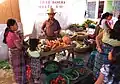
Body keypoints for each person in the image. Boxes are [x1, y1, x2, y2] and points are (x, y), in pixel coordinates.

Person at [3, 19, 26, 84]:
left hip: (12, 53)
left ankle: (19, 81)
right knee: (19, 71)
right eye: (16, 24)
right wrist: (21, 38)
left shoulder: (9, 32)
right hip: (16, 55)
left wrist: (17, 34)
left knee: (16, 71)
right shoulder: (13, 35)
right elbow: (20, 47)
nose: (17, 26)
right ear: (11, 26)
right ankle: (21, 82)